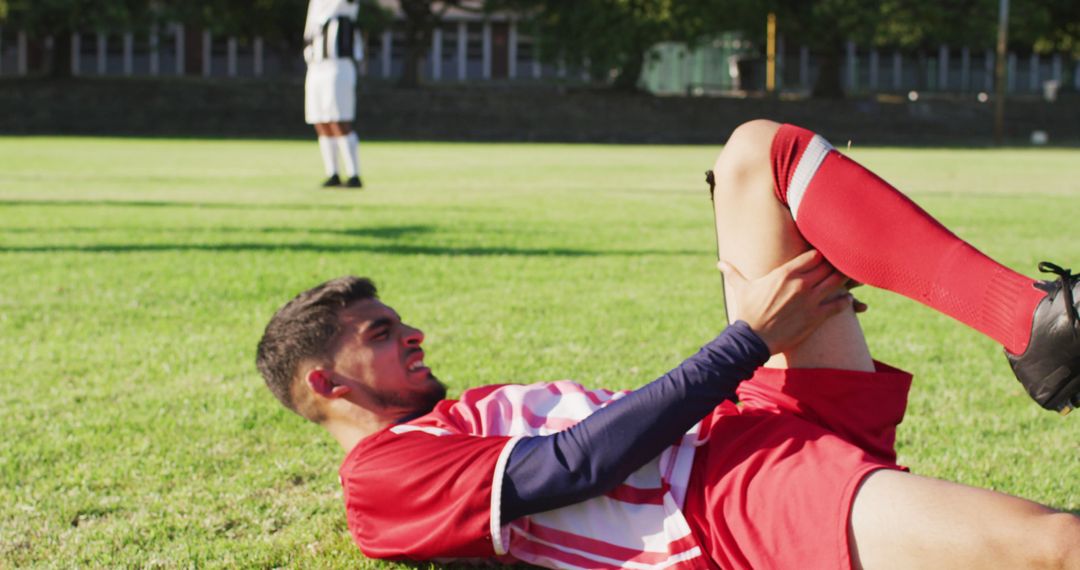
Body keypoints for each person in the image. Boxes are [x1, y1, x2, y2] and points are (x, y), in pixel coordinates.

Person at [255, 120, 1080, 569]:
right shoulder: (378, 485)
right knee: (1055, 547)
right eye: (383, 333)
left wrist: (752, 352)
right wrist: (750, 337)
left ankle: (1032, 325)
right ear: (330, 383)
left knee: (757, 154)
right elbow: (577, 466)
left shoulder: (455, 417)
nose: (413, 334)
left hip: (743, 429)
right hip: (729, 506)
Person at [304, 0, 364, 189]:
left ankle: (354, 175)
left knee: (339, 118)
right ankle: (333, 173)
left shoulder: (343, 6)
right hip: (316, 63)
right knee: (320, 119)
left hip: (338, 64)